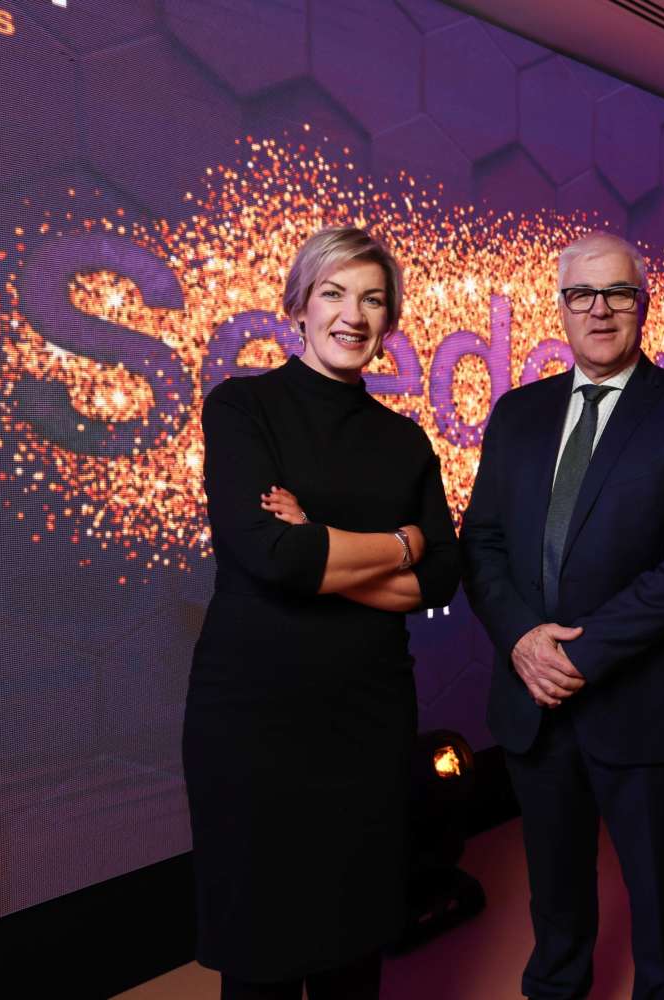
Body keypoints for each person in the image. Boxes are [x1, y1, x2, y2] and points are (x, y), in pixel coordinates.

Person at [461, 232, 664, 1000]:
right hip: (533, 705)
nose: (599, 310)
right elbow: (480, 541)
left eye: (617, 293)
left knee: (658, 902)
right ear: (560, 307)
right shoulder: (517, 413)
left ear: (643, 306)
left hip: (642, 705)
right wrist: (522, 640)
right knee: (553, 896)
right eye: (581, 294)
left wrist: (575, 657)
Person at [183, 226, 460, 1000]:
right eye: (334, 293)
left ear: (390, 320)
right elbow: (271, 556)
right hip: (252, 722)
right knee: (261, 958)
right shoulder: (242, 407)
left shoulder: (405, 441)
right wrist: (397, 543)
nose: (353, 314)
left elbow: (440, 578)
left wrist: (324, 541)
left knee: (353, 950)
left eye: (373, 299)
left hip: (365, 724)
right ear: (298, 306)